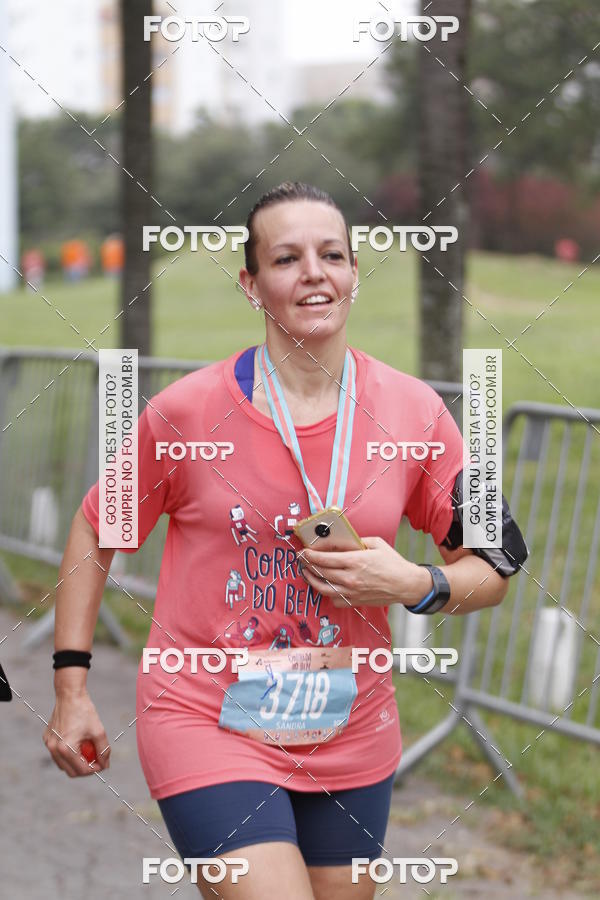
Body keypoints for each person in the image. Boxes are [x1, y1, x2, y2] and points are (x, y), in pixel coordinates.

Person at [43, 182, 527, 899]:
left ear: (355, 272)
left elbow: (494, 566)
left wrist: (415, 584)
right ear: (251, 284)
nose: (313, 273)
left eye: (332, 255)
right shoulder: (188, 413)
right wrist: (71, 685)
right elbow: (95, 525)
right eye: (286, 258)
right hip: (205, 716)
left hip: (351, 727)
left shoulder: (417, 414)